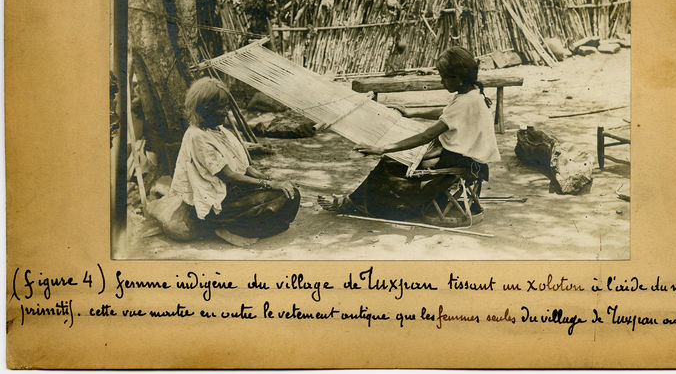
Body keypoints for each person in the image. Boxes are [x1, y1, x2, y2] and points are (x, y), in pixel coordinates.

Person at [318, 46, 501, 221]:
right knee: (397, 160)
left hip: (460, 161)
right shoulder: (472, 93)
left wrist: (382, 148)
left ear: (459, 79)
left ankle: (355, 203)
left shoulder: (466, 101)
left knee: (391, 162)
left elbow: (426, 136)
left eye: (444, 78)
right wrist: (412, 112)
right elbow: (446, 112)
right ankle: (356, 201)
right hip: (464, 157)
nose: (441, 82)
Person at [168, 77, 300, 245]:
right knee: (278, 202)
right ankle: (222, 228)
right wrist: (269, 185)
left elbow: (241, 164)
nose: (226, 112)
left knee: (291, 195)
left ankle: (238, 225)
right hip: (219, 200)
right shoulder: (197, 136)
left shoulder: (219, 130)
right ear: (206, 108)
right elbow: (229, 175)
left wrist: (272, 180)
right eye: (222, 107)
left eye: (226, 106)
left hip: (234, 191)